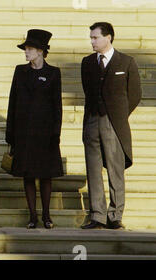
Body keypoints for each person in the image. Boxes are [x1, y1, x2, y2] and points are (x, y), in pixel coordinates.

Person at [80, 22, 142, 230]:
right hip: (92, 120)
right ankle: (97, 215)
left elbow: (134, 94)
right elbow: (88, 91)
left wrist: (119, 115)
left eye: (95, 37)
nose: (92, 41)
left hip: (114, 123)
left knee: (115, 169)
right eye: (91, 38)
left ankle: (115, 215)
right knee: (93, 169)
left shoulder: (126, 62)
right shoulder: (87, 62)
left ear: (108, 37)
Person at [5, 29, 63, 229]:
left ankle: (47, 216)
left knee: (46, 175)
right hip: (24, 132)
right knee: (28, 175)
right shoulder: (20, 71)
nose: (26, 52)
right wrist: (10, 133)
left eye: (29, 49)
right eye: (26, 49)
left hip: (45, 133)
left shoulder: (53, 73)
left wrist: (56, 133)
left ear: (40, 51)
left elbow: (57, 106)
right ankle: (33, 216)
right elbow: (13, 102)